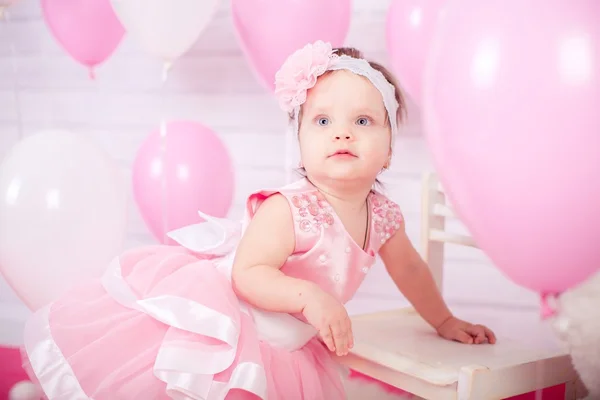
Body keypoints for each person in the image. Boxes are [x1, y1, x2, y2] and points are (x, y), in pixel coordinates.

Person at [20, 40, 496, 400]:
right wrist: (310, 297)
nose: (343, 132)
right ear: (302, 144)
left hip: (288, 340)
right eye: (322, 121)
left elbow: (410, 269)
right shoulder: (288, 208)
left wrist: (444, 319)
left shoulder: (385, 215)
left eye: (364, 122)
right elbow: (249, 276)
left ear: (389, 150)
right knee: (185, 381)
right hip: (237, 322)